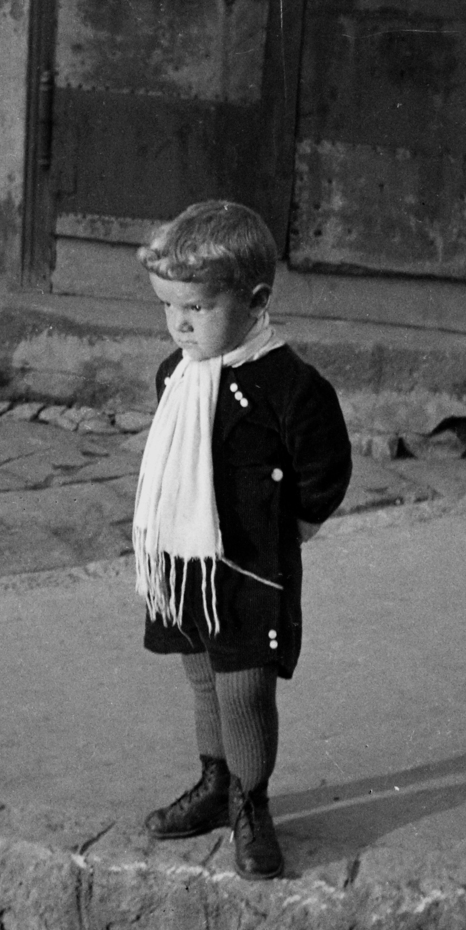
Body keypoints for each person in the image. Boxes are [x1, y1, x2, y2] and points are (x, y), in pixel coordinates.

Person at [133, 200, 351, 879]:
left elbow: (326, 468)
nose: (179, 324)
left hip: (250, 570)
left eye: (196, 308)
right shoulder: (177, 373)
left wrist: (296, 528)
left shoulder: (290, 387)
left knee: (243, 690)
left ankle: (252, 802)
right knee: (202, 679)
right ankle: (214, 783)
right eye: (169, 307)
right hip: (184, 560)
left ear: (256, 302)